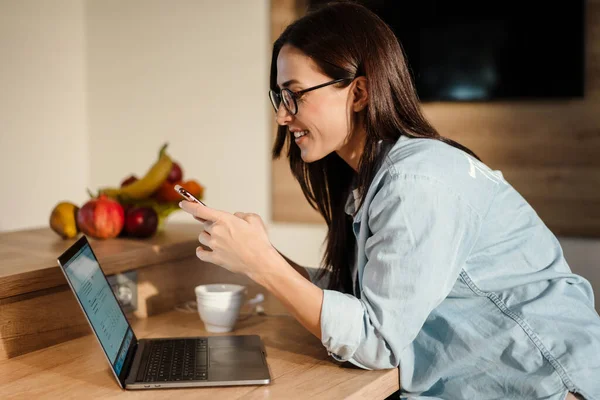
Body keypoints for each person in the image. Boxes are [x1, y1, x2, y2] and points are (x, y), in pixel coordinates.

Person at [179, 2, 600, 399]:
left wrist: (263, 265)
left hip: (546, 387)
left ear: (359, 93)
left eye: (295, 94)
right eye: (279, 96)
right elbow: (365, 298)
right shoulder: (379, 178)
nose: (282, 115)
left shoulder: (416, 182)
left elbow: (376, 340)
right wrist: (263, 254)